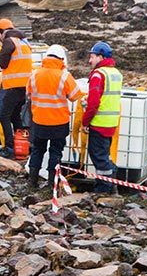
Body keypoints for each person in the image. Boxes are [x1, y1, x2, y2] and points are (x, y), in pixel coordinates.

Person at [24, 43, 80, 194]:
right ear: (62, 59)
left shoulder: (35, 74)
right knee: (56, 152)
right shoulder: (64, 76)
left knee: (37, 150)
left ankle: (32, 182)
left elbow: (28, 93)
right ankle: (51, 184)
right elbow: (75, 96)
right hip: (59, 123)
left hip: (39, 121)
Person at [79, 41, 122, 190]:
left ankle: (104, 188)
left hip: (99, 123)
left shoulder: (98, 75)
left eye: (92, 57)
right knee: (104, 155)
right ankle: (112, 182)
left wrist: (85, 122)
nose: (89, 61)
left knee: (99, 157)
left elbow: (94, 103)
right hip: (111, 122)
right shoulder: (116, 73)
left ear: (101, 57)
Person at [0, 18, 32, 157]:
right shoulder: (23, 41)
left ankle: (10, 147)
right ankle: (21, 145)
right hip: (25, 86)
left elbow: (3, 63)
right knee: (15, 116)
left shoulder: (8, 41)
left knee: (4, 116)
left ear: (2, 32)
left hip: (13, 86)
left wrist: (2, 47)